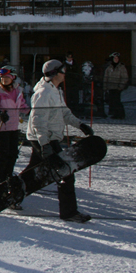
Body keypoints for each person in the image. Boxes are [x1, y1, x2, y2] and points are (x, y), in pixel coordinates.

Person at [26, 59, 95, 223]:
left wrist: (81, 125)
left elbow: (65, 113)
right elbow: (38, 121)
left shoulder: (56, 91)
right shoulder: (43, 93)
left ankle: (12, 192)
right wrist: (45, 145)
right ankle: (69, 212)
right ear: (54, 73)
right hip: (44, 138)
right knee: (66, 173)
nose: (65, 73)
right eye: (62, 70)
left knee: (33, 172)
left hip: (49, 138)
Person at [0, 66, 30, 190]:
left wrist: (29, 112)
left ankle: (7, 176)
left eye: (7, 78)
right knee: (2, 154)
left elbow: (21, 105)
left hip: (14, 126)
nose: (4, 80)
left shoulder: (17, 91)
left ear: (13, 78)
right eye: (2, 78)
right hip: (2, 126)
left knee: (13, 153)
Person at [103, 52, 128, 119]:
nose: (116, 59)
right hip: (110, 87)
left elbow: (124, 77)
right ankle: (114, 113)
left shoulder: (121, 67)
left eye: (117, 58)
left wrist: (121, 86)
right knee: (112, 101)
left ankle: (120, 114)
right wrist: (105, 87)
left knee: (117, 101)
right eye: (115, 58)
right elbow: (106, 77)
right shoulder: (109, 68)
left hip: (117, 88)